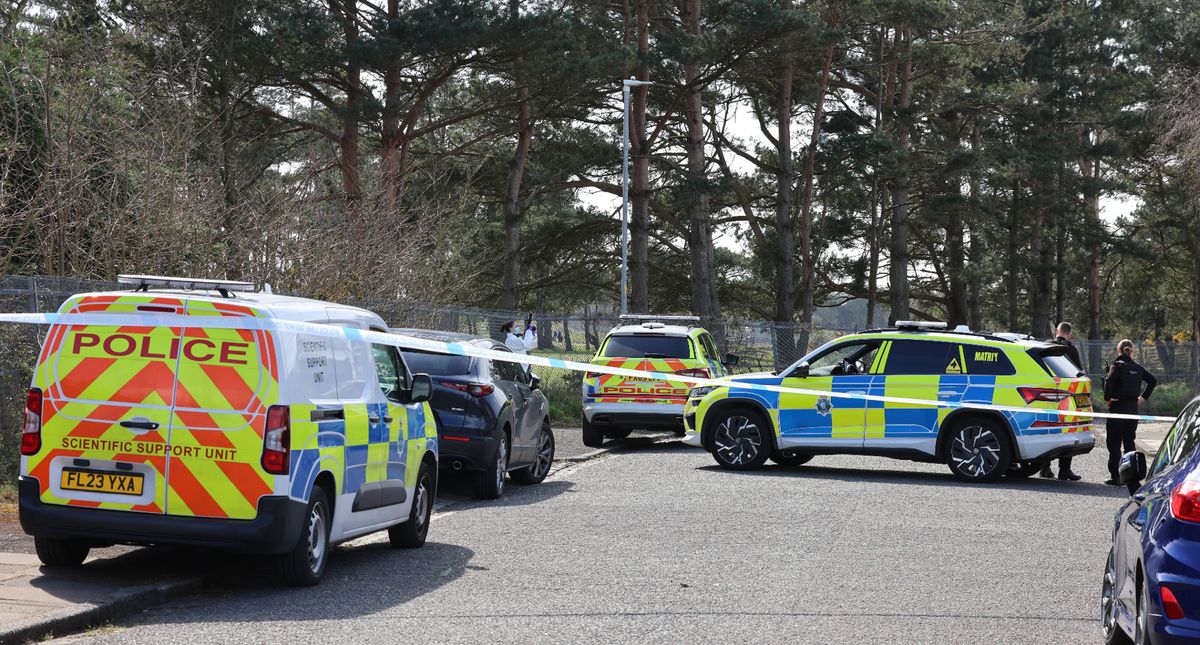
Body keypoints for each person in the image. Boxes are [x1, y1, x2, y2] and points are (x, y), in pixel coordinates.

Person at [1103, 339, 1157, 486]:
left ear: (1119, 351)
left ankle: (1116, 476)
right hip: (1133, 410)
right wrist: (1142, 398)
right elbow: (1153, 380)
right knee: (1129, 443)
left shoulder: (1117, 365)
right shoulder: (1138, 368)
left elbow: (1108, 382)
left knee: (1114, 444)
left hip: (1118, 409)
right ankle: (1131, 477)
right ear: (1131, 351)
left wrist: (1107, 399)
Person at [1040, 322, 1084, 481]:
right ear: (1069, 334)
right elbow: (1079, 373)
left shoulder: (1046, 346)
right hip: (1066, 396)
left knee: (1048, 430)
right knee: (1068, 431)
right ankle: (1064, 470)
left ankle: (1045, 468)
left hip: (1046, 395)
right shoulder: (1071, 350)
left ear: (1057, 331)